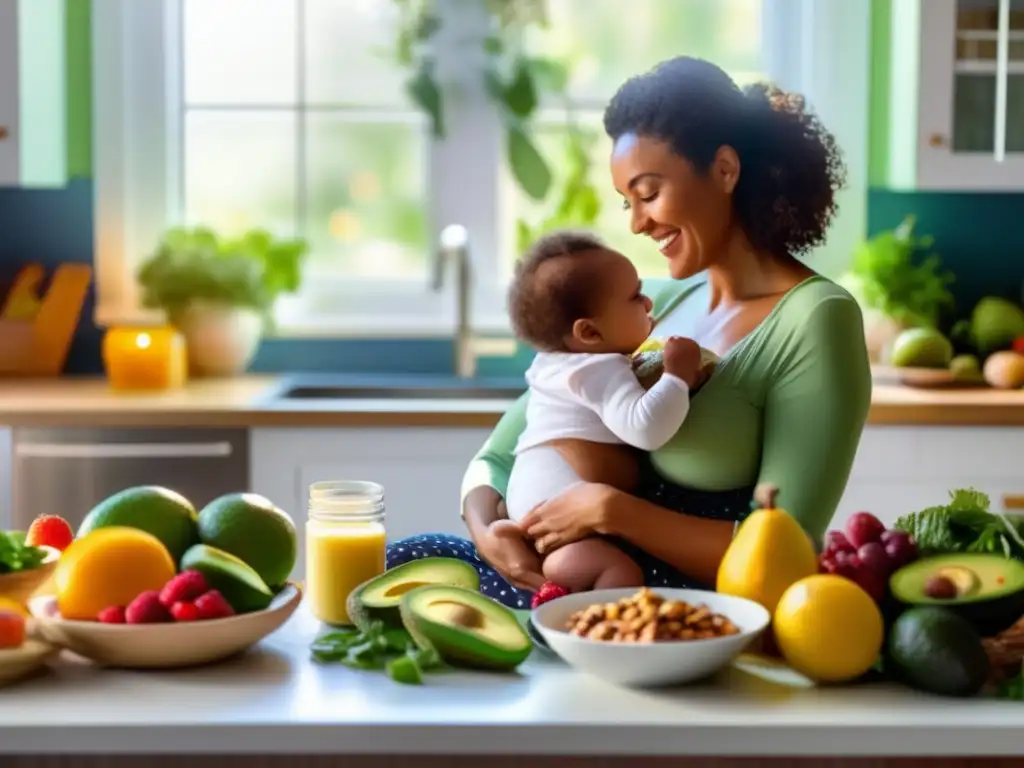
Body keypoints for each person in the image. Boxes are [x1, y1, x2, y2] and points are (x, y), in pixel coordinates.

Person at [385, 56, 872, 609]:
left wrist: (611, 511)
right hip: (562, 573)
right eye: (627, 202)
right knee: (403, 563)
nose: (637, 223)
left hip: (678, 603)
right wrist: (488, 531)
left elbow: (791, 550)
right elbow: (501, 454)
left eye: (648, 192)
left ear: (725, 170)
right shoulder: (647, 306)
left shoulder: (816, 319)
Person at [503, 230, 711, 593]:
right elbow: (646, 428)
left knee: (589, 566)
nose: (648, 303)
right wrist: (677, 375)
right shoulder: (595, 369)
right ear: (589, 333)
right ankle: (595, 638)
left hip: (535, 502)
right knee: (618, 575)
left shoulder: (557, 363)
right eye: (634, 297)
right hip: (556, 512)